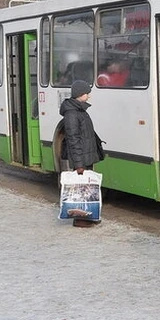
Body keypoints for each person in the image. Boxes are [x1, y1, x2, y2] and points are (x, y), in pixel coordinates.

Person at [59, 80, 105, 225]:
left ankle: (88, 216)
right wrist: (79, 165)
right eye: (87, 93)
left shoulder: (79, 110)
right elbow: (73, 140)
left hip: (86, 156)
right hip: (81, 159)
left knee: (86, 190)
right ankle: (81, 220)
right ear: (80, 94)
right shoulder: (72, 113)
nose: (89, 96)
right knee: (81, 191)